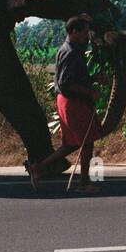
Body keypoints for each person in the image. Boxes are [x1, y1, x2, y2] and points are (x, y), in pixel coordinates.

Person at [27, 15, 104, 194]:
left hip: (67, 100)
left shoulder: (69, 49)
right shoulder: (71, 53)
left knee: (72, 143)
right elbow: (66, 83)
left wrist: (93, 79)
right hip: (73, 101)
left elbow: (73, 79)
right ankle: (84, 183)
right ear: (74, 32)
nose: (87, 36)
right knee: (87, 141)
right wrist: (89, 92)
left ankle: (38, 168)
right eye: (85, 32)